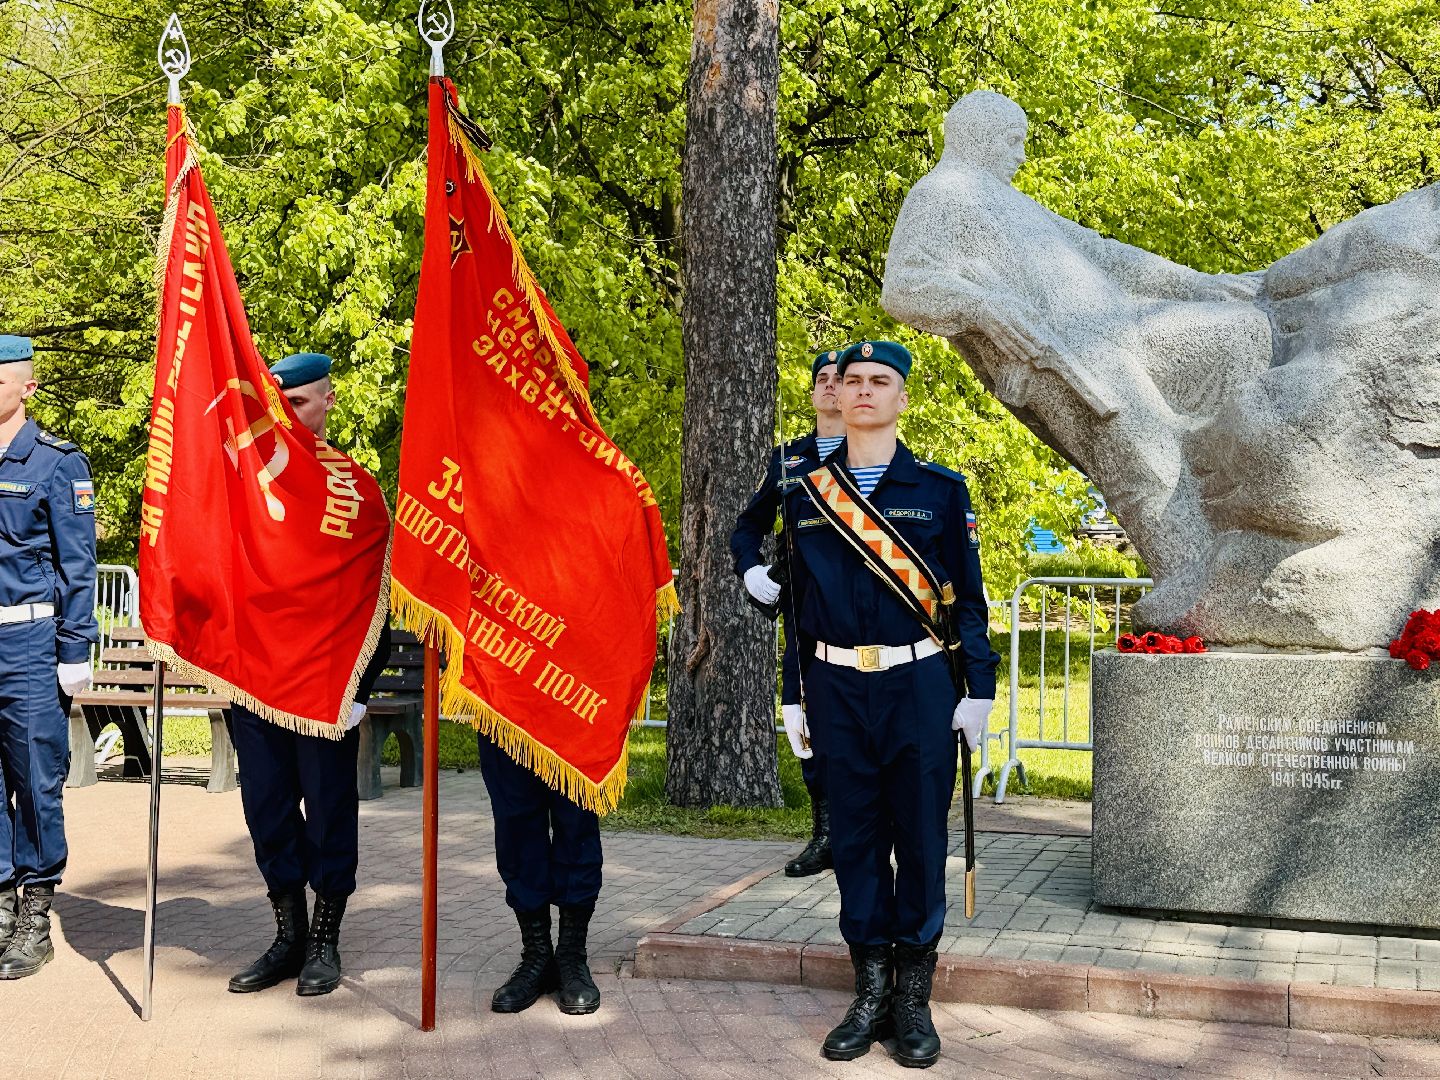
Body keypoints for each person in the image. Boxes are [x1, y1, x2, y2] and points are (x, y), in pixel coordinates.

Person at [783, 340, 999, 1068]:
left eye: (882, 381)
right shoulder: (804, 491)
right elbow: (799, 609)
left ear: (902, 397)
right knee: (855, 839)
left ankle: (913, 997)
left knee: (920, 838)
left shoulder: (940, 490)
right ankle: (868, 988)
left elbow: (968, 601)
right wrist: (793, 694)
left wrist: (982, 691)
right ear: (835, 397)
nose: (866, 392)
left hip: (919, 686)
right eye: (854, 382)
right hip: (837, 686)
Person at [226, 351, 391, 998]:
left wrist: (360, 687)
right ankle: (287, 935)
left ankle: (325, 937)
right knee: (266, 809)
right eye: (280, 404)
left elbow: (375, 597)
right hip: (257, 678)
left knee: (327, 813)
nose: (288, 415)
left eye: (299, 403)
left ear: (327, 402)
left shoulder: (358, 491)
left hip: (326, 682)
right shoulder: (248, 479)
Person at [0, 335, 97, 980]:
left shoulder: (56, 464)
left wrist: (74, 647)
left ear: (26, 386)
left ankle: (35, 910)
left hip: (29, 647)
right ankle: (1, 902)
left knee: (37, 780)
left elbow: (78, 564)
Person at [730, 348, 846, 877]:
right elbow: (747, 526)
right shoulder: (789, 461)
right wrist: (751, 570)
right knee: (801, 716)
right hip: (803, 609)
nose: (830, 386)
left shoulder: (871, 455)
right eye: (822, 379)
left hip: (861, 611)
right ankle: (823, 832)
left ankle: (859, 831)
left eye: (838, 379)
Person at [480, 734, 604, 1015]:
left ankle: (571, 956)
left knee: (577, 817)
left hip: (575, 701)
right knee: (515, 822)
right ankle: (537, 955)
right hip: (503, 700)